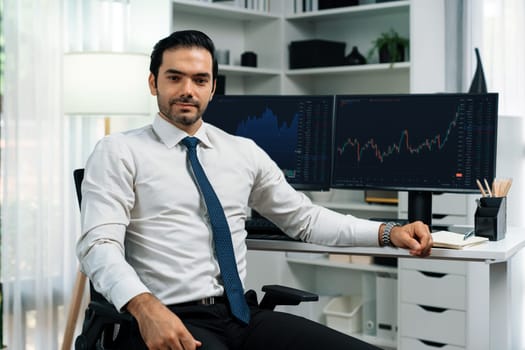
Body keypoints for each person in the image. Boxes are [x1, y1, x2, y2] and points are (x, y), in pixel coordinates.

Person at [76, 29, 433, 350]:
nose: (188, 90)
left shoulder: (241, 151)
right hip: (167, 319)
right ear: (154, 83)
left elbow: (304, 219)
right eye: (175, 77)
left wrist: (388, 232)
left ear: (213, 87)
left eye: (200, 79)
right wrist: (145, 307)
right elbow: (98, 245)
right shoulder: (119, 151)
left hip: (241, 316)